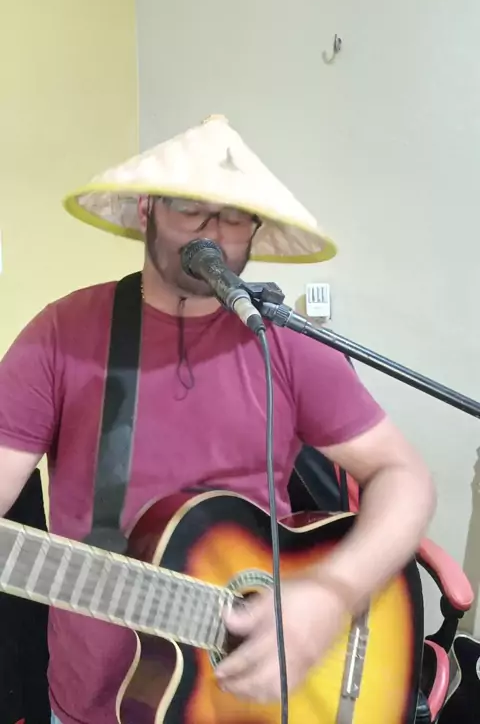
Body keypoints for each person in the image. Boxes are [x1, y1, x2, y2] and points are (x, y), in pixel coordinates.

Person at [0, 116, 436, 724]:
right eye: (190, 209)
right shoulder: (62, 333)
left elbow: (405, 477)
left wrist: (331, 597)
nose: (214, 232)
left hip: (262, 699)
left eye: (234, 216)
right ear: (147, 210)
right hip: (91, 705)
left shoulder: (285, 344)